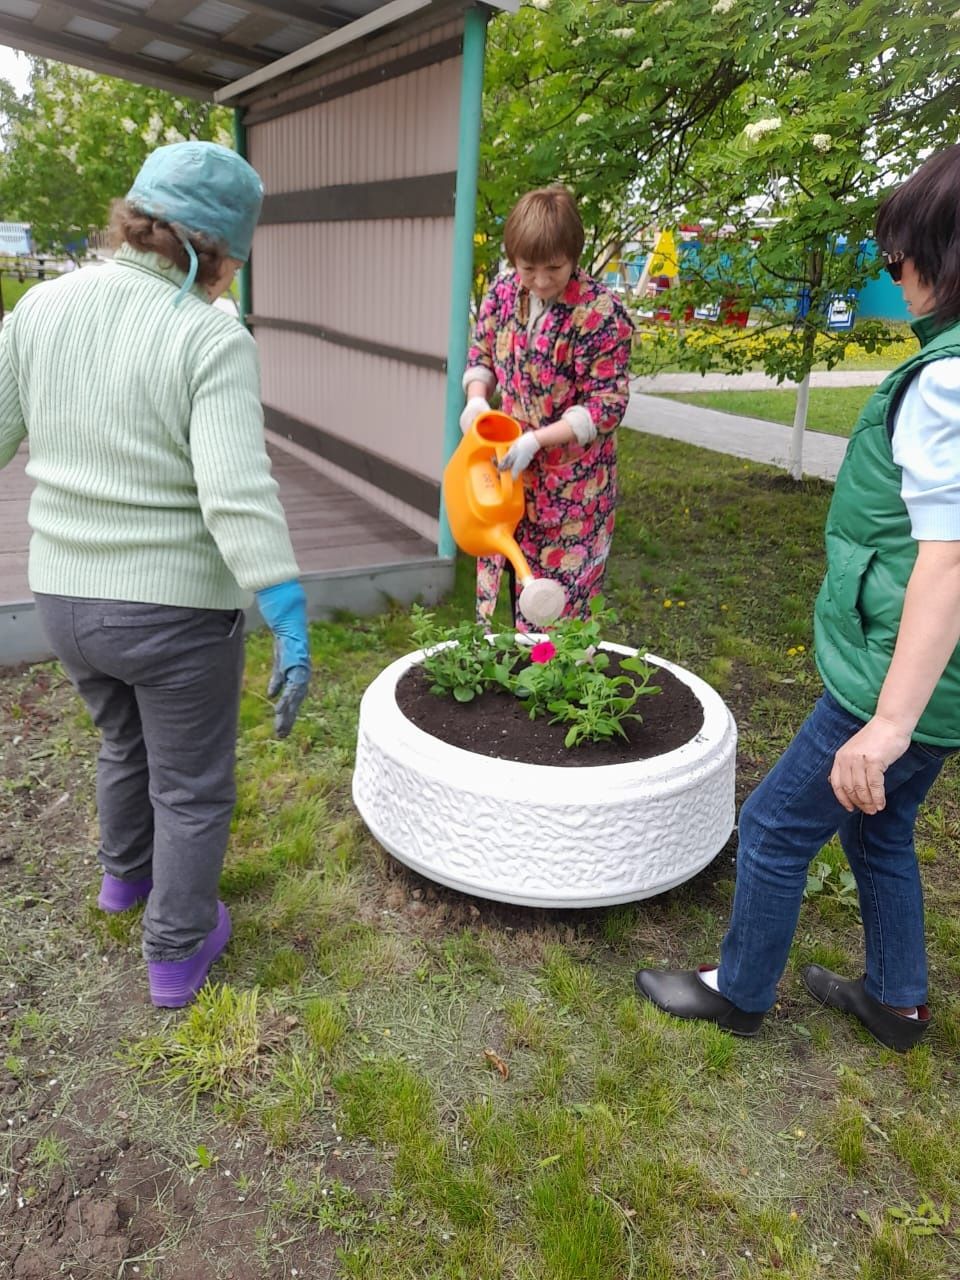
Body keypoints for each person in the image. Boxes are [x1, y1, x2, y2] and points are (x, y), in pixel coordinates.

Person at [634, 145, 960, 1053]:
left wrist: (889, 722)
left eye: (900, 258)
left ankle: (737, 993)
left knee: (777, 825)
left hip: (896, 678)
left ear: (940, 258)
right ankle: (898, 1003)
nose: (896, 277)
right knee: (880, 831)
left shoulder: (945, 383)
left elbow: (950, 560)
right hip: (941, 680)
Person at [0, 142, 311, 1010]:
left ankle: (123, 881)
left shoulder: (38, 308)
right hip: (171, 613)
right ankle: (177, 950)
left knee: (120, 742)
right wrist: (285, 609)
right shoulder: (207, 333)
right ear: (213, 251)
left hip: (61, 601)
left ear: (134, 219)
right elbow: (236, 492)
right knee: (193, 783)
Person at [460, 186, 634, 627]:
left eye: (553, 268)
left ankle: (555, 687)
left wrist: (538, 440)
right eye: (528, 268)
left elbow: (606, 404)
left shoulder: (600, 315)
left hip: (571, 491)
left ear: (574, 255)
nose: (539, 281)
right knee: (511, 574)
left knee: (554, 610)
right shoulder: (503, 292)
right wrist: (477, 401)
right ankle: (512, 684)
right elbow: (481, 352)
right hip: (507, 471)